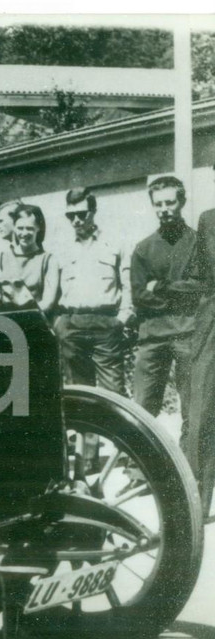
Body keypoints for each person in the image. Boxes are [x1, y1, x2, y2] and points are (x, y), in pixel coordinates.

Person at [131, 175, 205, 444]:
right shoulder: (143, 248)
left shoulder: (199, 243)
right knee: (142, 405)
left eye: (169, 202)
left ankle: (190, 467)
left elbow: (200, 288)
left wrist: (161, 287)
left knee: (193, 405)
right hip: (152, 336)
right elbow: (139, 296)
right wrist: (179, 292)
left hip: (188, 333)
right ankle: (137, 469)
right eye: (158, 203)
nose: (164, 209)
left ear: (181, 202)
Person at [53, 187, 133, 395]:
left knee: (114, 393)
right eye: (71, 216)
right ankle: (85, 430)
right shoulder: (62, 246)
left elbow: (127, 283)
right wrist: (59, 324)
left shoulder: (114, 242)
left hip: (105, 324)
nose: (76, 221)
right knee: (79, 393)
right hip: (72, 326)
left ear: (93, 211)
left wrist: (122, 319)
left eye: (81, 214)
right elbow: (53, 287)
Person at [186, 174, 215, 514]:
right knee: (204, 409)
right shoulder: (208, 220)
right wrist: (163, 289)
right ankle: (199, 501)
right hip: (212, 322)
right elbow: (199, 275)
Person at [0, 204, 60, 313]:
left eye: (30, 228)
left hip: (35, 320)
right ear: (14, 227)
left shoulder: (48, 260)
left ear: (39, 228)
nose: (24, 233)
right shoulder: (4, 257)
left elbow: (48, 302)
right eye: (20, 228)